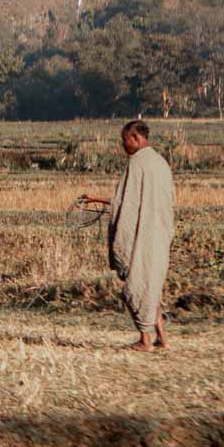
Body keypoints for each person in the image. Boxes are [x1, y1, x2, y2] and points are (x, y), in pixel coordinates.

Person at [82, 120, 175, 352]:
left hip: (141, 236)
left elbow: (126, 204)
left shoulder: (137, 163)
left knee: (137, 284)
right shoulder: (160, 163)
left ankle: (145, 340)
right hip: (159, 234)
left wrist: (101, 202)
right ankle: (162, 338)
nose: (123, 146)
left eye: (125, 141)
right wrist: (97, 199)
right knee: (151, 284)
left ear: (135, 138)